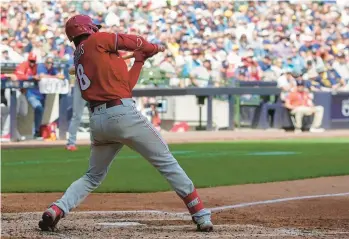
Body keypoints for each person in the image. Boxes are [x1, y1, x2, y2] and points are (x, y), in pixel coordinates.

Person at [38, 15, 213, 233]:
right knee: (166, 162)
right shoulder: (98, 40)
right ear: (88, 28)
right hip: (122, 114)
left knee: (92, 176)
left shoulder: (81, 55)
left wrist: (139, 60)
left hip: (99, 121)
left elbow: (126, 86)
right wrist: (150, 47)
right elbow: (132, 41)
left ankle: (56, 209)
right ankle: (201, 216)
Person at [27, 57, 64, 139]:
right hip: (32, 93)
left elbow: (60, 76)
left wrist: (57, 76)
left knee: (40, 112)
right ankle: (35, 132)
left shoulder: (52, 69)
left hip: (42, 95)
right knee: (38, 109)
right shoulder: (41, 66)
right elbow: (42, 76)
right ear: (45, 62)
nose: (50, 64)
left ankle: (37, 133)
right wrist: (55, 77)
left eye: (51, 63)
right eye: (48, 62)